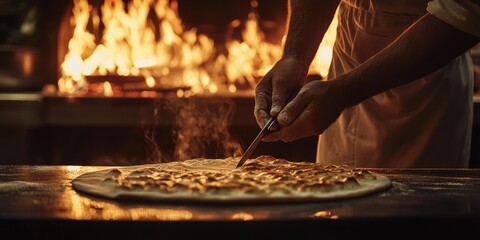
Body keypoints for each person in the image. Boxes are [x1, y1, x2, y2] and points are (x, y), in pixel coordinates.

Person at [255, 0, 480, 168]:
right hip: (347, 49)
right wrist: (295, 56)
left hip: (425, 79)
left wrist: (344, 92)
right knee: (334, 215)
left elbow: (466, 11)